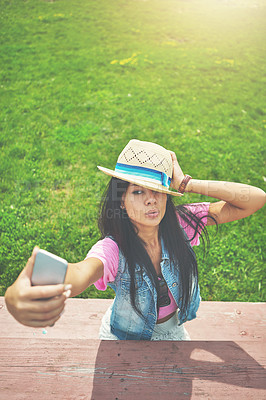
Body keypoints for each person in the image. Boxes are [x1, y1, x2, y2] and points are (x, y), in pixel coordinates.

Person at [4, 140, 265, 340]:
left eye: (158, 191)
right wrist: (19, 294)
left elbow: (254, 199)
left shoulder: (182, 223)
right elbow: (80, 272)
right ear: (121, 200)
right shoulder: (113, 248)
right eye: (138, 192)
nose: (151, 200)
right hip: (122, 340)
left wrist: (187, 183)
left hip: (174, 333)